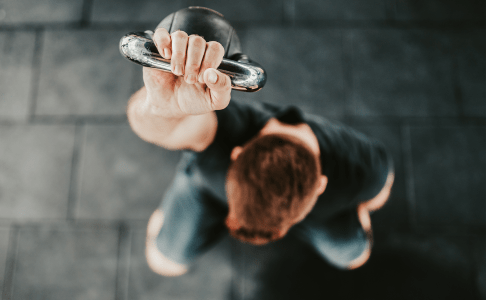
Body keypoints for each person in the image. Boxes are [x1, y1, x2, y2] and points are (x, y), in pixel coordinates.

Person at [127, 27, 394, 277]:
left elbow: (379, 194)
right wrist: (161, 106)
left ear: (320, 185)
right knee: (164, 261)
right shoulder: (222, 134)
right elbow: (163, 129)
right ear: (236, 154)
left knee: (354, 255)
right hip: (208, 188)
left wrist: (361, 207)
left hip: (313, 212)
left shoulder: (360, 165)